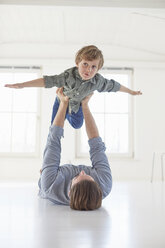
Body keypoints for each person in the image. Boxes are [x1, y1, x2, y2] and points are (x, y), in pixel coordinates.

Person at [5, 45, 142, 129]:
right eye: (85, 64)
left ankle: (69, 113)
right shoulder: (68, 75)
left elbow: (115, 86)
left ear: (98, 69)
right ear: (78, 63)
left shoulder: (98, 81)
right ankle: (47, 164)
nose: (88, 69)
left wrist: (131, 92)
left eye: (93, 66)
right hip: (60, 102)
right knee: (54, 129)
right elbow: (47, 81)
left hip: (76, 107)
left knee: (77, 125)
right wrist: (22, 85)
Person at [38, 87, 112, 210]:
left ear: (69, 192)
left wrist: (63, 103)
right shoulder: (104, 183)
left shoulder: (51, 185)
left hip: (51, 182)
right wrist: (85, 105)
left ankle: (63, 101)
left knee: (46, 168)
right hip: (59, 176)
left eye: (77, 177)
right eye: (89, 177)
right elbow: (96, 145)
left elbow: (53, 142)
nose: (81, 172)